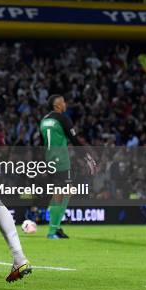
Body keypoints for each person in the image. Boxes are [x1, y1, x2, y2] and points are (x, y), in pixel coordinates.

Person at [40, 95, 97, 239]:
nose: (65, 104)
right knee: (61, 193)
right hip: (61, 159)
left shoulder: (44, 120)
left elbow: (42, 143)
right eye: (63, 101)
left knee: (64, 191)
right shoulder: (63, 118)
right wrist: (86, 156)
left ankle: (56, 226)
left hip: (49, 158)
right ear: (57, 105)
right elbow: (74, 139)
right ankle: (52, 231)